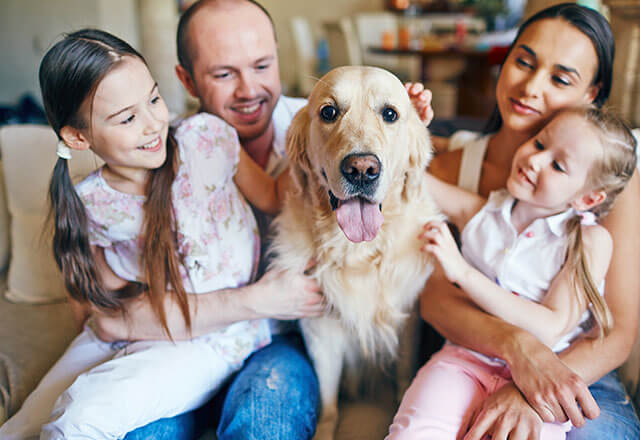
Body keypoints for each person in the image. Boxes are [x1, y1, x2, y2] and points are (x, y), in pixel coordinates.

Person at [88, 1, 434, 439]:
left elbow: (424, 176)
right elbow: (104, 313)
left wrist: (406, 126)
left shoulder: (314, 121)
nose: (248, 89)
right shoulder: (154, 154)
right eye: (223, 73)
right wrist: (257, 300)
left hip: (278, 347)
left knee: (263, 425)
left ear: (278, 59)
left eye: (261, 65)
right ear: (187, 80)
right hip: (180, 346)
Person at [0, 28, 325, 439]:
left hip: (214, 337)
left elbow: (274, 196)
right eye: (128, 118)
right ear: (78, 137)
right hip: (143, 328)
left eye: (154, 99)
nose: (154, 124)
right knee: (25, 423)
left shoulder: (206, 138)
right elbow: (108, 316)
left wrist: (322, 134)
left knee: (83, 416)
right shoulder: (90, 204)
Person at [421, 3, 640, 439]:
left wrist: (530, 389)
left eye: (561, 79)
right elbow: (437, 301)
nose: (531, 86)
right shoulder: (452, 168)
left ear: (591, 94)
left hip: (578, 366)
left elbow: (617, 332)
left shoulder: (613, 187)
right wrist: (519, 351)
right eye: (524, 61)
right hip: (472, 357)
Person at [387, 106, 637, 439]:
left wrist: (462, 272)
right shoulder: (485, 210)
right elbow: (414, 180)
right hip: (465, 361)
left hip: (542, 384)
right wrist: (402, 121)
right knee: (415, 432)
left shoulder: (590, 241)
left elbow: (549, 326)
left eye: (558, 165)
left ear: (588, 197)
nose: (536, 160)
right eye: (539, 143)